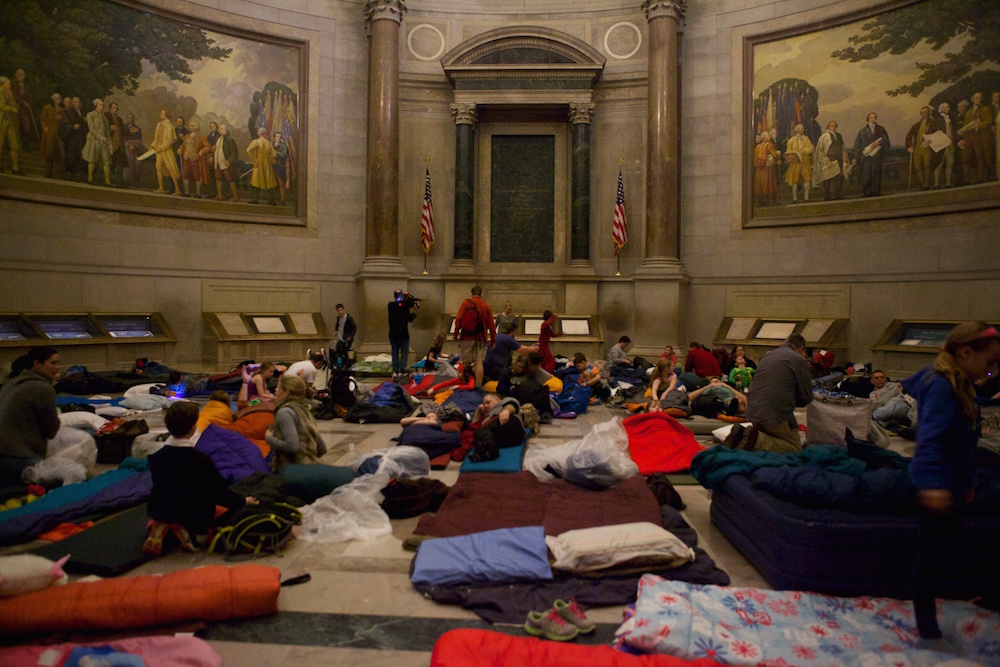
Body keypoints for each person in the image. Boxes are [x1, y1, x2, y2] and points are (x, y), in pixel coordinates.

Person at [902, 322, 1000, 641]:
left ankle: (983, 595)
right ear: (966, 353)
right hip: (936, 484)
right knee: (929, 556)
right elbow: (930, 440)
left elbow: (962, 443)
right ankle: (926, 625)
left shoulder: (960, 382)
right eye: (989, 363)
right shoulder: (942, 386)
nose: (993, 370)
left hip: (953, 481)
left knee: (950, 547)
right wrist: (933, 486)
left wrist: (964, 481)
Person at [144, 400, 255, 555]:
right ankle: (186, 530)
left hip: (161, 508)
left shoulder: (156, 457)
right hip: (194, 515)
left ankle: (163, 524)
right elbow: (219, 492)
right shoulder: (199, 460)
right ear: (192, 428)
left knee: (175, 499)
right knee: (229, 509)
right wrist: (243, 501)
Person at [733, 333, 813, 453]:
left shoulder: (766, 356)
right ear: (801, 349)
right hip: (775, 414)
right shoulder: (799, 359)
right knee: (796, 448)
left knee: (774, 436)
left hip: (753, 412)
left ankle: (752, 438)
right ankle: (757, 441)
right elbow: (806, 397)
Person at [0, 347, 60, 484]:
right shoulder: (43, 388)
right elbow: (51, 431)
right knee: (66, 477)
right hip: (17, 459)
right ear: (37, 364)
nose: (58, 367)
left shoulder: (10, 384)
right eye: (53, 363)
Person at [266, 374, 327, 472]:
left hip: (292, 470)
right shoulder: (305, 410)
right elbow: (322, 448)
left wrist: (269, 438)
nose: (275, 393)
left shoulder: (285, 412)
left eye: (277, 390)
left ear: (286, 393)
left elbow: (292, 446)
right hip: (312, 468)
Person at [454, 285, 496, 387]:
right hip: (481, 338)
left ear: (471, 294)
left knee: (465, 362)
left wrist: (456, 334)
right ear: (481, 294)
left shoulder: (466, 303)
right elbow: (492, 326)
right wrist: (493, 341)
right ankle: (478, 386)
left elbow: (459, 319)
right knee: (479, 362)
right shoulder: (486, 306)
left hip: (467, 337)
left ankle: (465, 383)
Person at [957, 92, 994, 186]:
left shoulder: (985, 109)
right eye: (977, 98)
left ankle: (981, 177)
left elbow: (988, 121)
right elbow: (965, 126)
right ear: (973, 100)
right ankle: (967, 179)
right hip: (969, 138)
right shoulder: (968, 112)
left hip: (979, 137)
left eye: (980, 98)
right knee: (965, 159)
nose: (979, 100)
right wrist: (963, 137)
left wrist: (978, 126)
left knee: (980, 156)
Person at [905, 106, 943, 191]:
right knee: (918, 167)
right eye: (921, 112)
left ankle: (927, 185)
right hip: (917, 148)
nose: (923, 114)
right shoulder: (916, 125)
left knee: (927, 166)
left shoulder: (934, 123)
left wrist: (931, 140)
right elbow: (908, 137)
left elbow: (939, 134)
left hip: (928, 148)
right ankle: (923, 184)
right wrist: (910, 146)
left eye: (925, 112)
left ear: (928, 113)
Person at [852, 112, 891, 197]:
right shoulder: (862, 132)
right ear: (868, 119)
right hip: (866, 157)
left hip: (877, 156)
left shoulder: (881, 129)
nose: (873, 119)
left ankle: (876, 192)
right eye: (871, 117)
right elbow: (857, 145)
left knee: (876, 174)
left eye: (874, 117)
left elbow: (886, 140)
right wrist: (855, 157)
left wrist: (879, 142)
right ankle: (867, 192)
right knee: (866, 175)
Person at [812, 120, 847, 201]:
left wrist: (844, 156)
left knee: (839, 177)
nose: (833, 127)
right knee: (827, 178)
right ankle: (827, 196)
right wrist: (826, 160)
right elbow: (820, 151)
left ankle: (837, 194)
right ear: (828, 127)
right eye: (832, 125)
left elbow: (842, 147)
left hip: (838, 159)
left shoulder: (838, 136)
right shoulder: (824, 137)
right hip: (829, 160)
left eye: (835, 125)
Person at [388, 289, 418, 378]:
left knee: (394, 353)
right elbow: (410, 319)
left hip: (393, 334)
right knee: (404, 353)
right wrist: (415, 310)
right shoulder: (405, 307)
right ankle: (402, 370)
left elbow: (398, 305)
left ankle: (395, 371)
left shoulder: (391, 305)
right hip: (403, 335)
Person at [152, 108, 182, 195]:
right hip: (159, 151)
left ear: (166, 115)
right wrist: (153, 145)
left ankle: (177, 189)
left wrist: (161, 148)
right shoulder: (159, 124)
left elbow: (169, 140)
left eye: (162, 113)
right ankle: (161, 188)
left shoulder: (169, 126)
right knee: (158, 167)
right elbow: (157, 138)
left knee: (171, 168)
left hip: (166, 150)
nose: (160, 114)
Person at [82, 98, 112, 186]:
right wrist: (100, 137)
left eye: (103, 105)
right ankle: (90, 179)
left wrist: (109, 143)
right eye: (100, 104)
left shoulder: (105, 119)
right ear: (96, 105)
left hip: (104, 142)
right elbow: (91, 129)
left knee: (106, 161)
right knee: (92, 159)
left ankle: (107, 181)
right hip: (94, 140)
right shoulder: (90, 115)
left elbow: (107, 132)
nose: (102, 106)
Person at [178, 120, 211, 197]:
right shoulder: (187, 136)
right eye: (190, 125)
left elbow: (208, 147)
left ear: (197, 127)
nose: (191, 127)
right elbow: (183, 145)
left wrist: (202, 151)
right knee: (185, 174)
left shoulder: (201, 137)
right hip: (186, 157)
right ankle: (186, 192)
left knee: (197, 175)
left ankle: (198, 193)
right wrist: (180, 149)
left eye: (193, 126)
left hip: (195, 158)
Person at [247, 127, 278, 205]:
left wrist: (255, 160)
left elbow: (248, 150)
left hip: (259, 164)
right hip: (267, 165)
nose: (257, 132)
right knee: (268, 181)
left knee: (256, 181)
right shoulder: (268, 143)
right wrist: (269, 159)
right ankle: (272, 200)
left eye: (258, 131)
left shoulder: (256, 141)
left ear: (261, 133)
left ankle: (255, 199)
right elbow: (274, 154)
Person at [783, 123, 813, 203]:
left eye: (803, 129)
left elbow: (810, 148)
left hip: (805, 161)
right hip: (795, 163)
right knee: (794, 180)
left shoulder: (806, 138)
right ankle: (794, 198)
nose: (803, 130)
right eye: (801, 129)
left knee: (807, 178)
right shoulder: (791, 140)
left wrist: (803, 151)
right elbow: (788, 151)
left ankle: (806, 197)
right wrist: (793, 154)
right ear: (797, 130)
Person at [0, 77, 23, 175]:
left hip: (11, 122)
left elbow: (17, 106)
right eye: (7, 84)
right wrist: (11, 108)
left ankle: (15, 168)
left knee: (14, 145)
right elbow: (1, 106)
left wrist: (11, 99)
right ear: (2, 85)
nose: (9, 86)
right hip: (2, 121)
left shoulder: (10, 94)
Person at [753, 131, 780, 206]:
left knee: (759, 185)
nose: (769, 137)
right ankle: (770, 201)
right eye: (768, 136)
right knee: (770, 184)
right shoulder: (769, 145)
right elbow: (774, 155)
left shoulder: (757, 147)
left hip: (759, 168)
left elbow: (755, 158)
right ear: (765, 137)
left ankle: (757, 202)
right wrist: (778, 158)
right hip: (767, 168)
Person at [213, 123, 239, 202]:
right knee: (218, 178)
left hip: (226, 163)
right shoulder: (219, 138)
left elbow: (235, 153)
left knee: (230, 179)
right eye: (220, 129)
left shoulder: (230, 139)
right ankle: (220, 195)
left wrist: (229, 161)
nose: (220, 130)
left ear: (226, 130)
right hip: (218, 162)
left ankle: (235, 197)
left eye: (222, 129)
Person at [39, 92, 63, 178]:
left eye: (60, 99)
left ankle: (56, 172)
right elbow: (42, 119)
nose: (59, 100)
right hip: (49, 132)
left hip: (57, 133)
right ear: (53, 99)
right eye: (57, 98)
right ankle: (48, 172)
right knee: (48, 151)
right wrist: (44, 127)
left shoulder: (61, 110)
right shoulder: (48, 107)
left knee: (56, 152)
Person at [933, 102, 956, 189]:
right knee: (939, 164)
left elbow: (953, 132)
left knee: (950, 164)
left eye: (948, 107)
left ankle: (948, 183)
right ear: (942, 109)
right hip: (941, 145)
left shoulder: (950, 119)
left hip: (950, 144)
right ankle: (936, 184)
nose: (948, 109)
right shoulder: (937, 120)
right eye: (946, 107)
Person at [105, 101, 126, 187]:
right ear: (110, 108)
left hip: (119, 144)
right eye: (114, 107)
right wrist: (109, 127)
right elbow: (101, 126)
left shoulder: (119, 119)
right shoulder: (106, 116)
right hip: (110, 142)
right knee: (109, 162)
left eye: (117, 108)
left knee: (120, 162)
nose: (115, 109)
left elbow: (123, 130)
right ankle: (108, 180)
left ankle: (118, 181)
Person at [123, 113, 145, 188]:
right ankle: (127, 182)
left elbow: (139, 140)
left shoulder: (137, 129)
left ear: (133, 118)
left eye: (131, 117)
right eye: (128, 117)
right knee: (128, 165)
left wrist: (134, 145)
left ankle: (136, 182)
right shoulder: (124, 127)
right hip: (126, 149)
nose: (129, 119)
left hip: (135, 149)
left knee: (137, 165)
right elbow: (123, 137)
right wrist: (126, 143)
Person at [333, 303, 357, 368]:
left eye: (341, 310)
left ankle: (347, 364)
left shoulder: (349, 318)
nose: (340, 312)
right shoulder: (338, 318)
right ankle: (339, 364)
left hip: (347, 338)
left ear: (343, 310)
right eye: (338, 311)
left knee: (345, 351)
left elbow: (354, 327)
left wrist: (351, 336)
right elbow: (337, 324)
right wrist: (336, 330)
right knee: (337, 351)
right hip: (340, 337)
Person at [273, 130, 290, 204]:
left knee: (281, 184)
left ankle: (282, 199)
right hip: (273, 166)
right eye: (277, 136)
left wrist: (276, 153)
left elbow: (284, 156)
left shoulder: (284, 146)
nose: (278, 138)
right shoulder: (272, 145)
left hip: (280, 166)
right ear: (274, 137)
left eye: (279, 137)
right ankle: (272, 200)